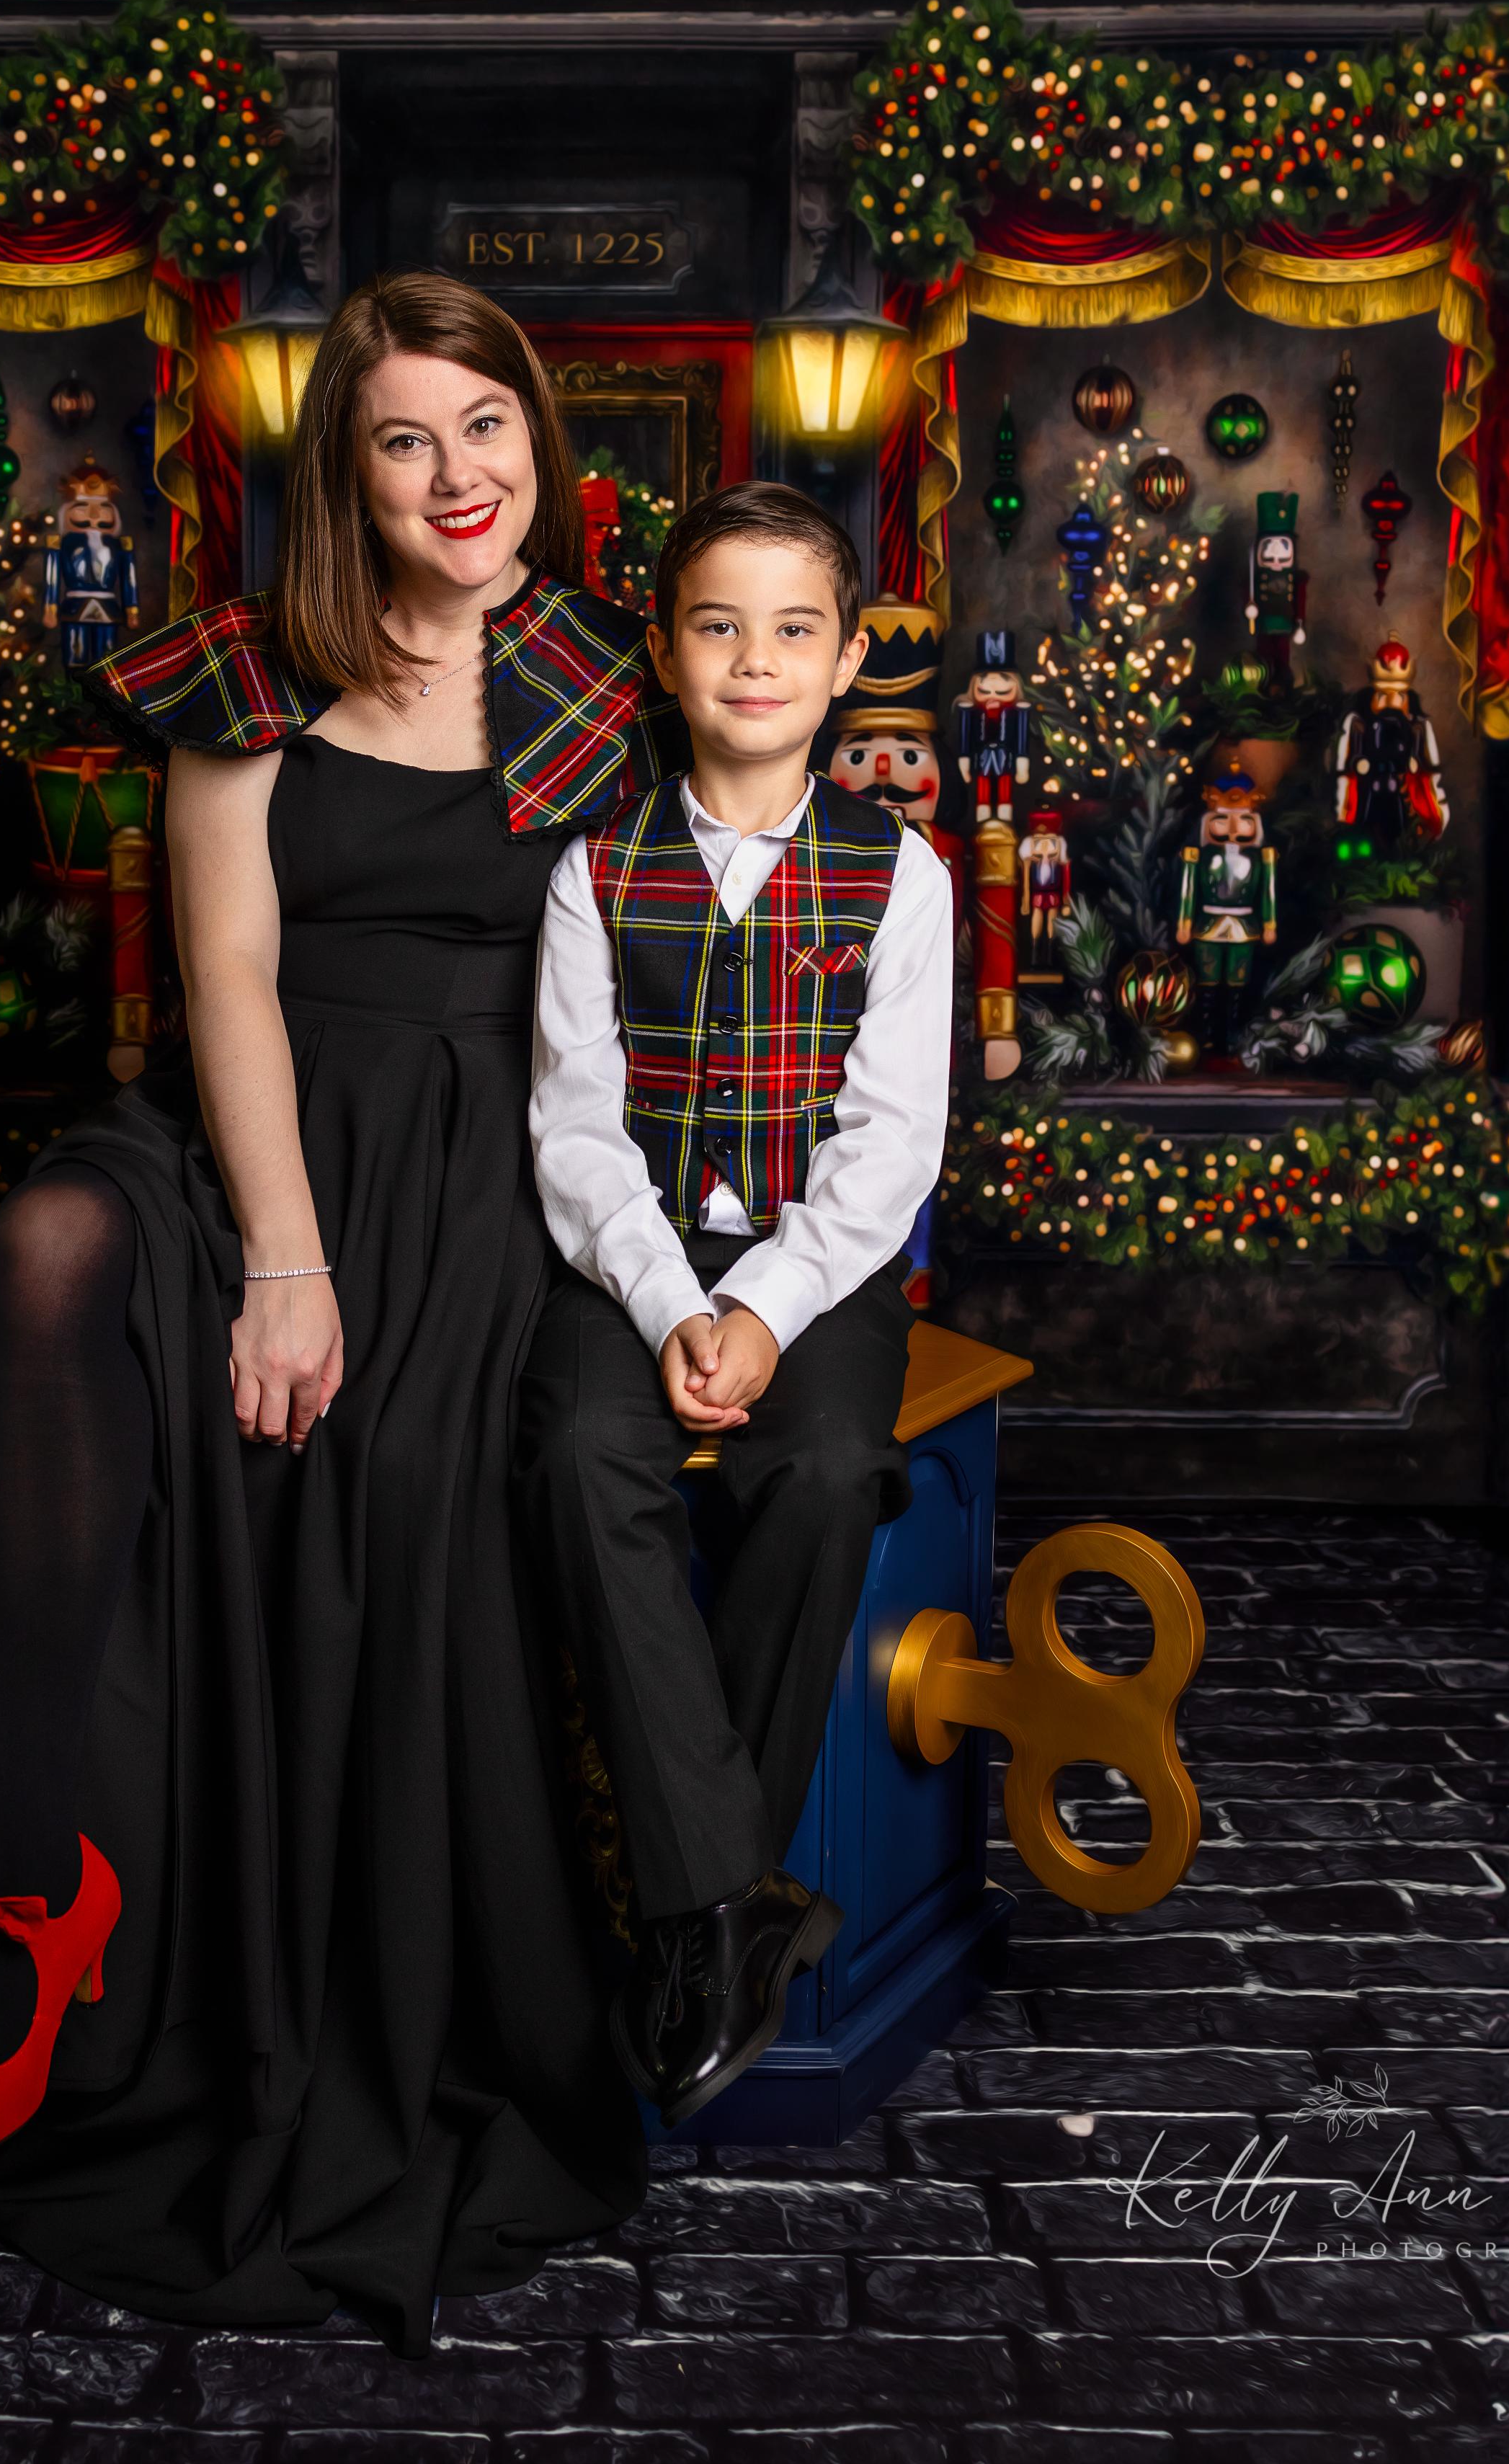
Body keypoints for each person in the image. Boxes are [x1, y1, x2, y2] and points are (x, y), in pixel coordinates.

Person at [0, 272, 679, 2352]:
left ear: (534, 441)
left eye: (484, 426)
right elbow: (223, 971)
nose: (456, 475)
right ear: (346, 468)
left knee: (383, 1468)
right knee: (50, 1249)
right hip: (254, 1123)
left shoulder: (607, 669)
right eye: (406, 437)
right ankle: (33, 1896)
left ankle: (331, 1979)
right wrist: (282, 1258)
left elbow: (707, 941)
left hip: (482, 1148)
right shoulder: (243, 666)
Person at [514, 481, 954, 2128]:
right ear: (663, 651)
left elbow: (886, 1146)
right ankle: (729, 1904)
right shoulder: (593, 867)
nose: (753, 660)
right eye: (717, 626)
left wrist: (762, 1309)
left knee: (825, 1469)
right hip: (625, 1252)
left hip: (816, 1262)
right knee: (575, 1455)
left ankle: (688, 1906)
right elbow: (570, 1127)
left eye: (790, 630)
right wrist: (660, 1298)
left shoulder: (900, 876)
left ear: (843, 662)